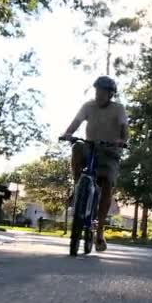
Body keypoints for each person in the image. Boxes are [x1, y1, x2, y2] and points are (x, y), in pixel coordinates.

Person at [61, 76, 128, 251]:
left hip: (109, 150)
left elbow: (124, 128)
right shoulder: (88, 106)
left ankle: (99, 232)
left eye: (104, 92)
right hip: (90, 146)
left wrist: (121, 140)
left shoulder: (118, 108)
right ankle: (78, 187)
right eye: (97, 90)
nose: (99, 94)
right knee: (77, 147)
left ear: (111, 94)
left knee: (107, 184)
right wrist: (68, 133)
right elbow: (76, 122)